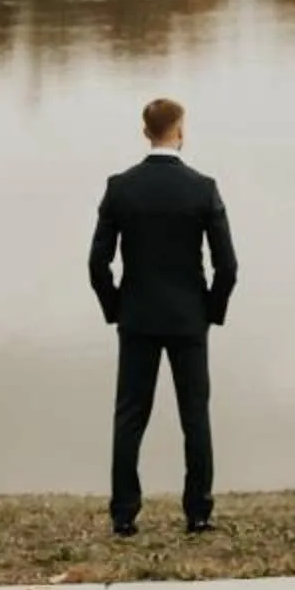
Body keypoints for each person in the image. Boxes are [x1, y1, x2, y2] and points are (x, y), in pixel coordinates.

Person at [87, 96, 237, 538]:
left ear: (145, 131)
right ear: (180, 130)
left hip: (137, 317)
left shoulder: (120, 188)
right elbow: (226, 266)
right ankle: (199, 512)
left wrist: (116, 307)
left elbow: (98, 265)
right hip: (188, 317)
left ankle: (124, 514)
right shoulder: (202, 188)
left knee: (130, 415)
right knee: (195, 415)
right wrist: (210, 310)